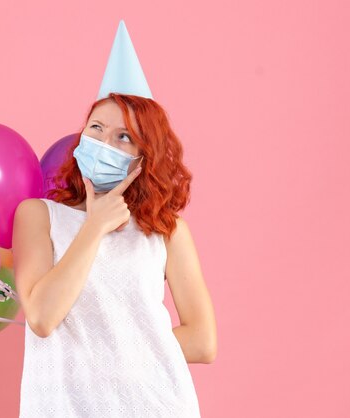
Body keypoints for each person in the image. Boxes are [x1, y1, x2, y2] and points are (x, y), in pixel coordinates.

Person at [13, 93, 217, 417]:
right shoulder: (38, 215)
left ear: (143, 157)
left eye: (123, 136)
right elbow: (41, 317)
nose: (104, 142)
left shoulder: (167, 230)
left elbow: (203, 341)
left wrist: (108, 348)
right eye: (96, 127)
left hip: (155, 405)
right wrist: (94, 226)